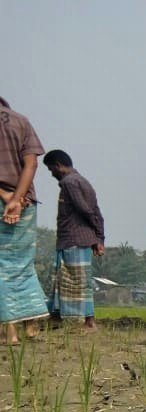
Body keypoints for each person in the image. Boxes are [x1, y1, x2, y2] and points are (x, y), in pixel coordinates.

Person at [0, 97, 48, 345]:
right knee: (23, 264)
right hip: (25, 202)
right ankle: (30, 327)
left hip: (6, 198)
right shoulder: (21, 121)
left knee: (2, 266)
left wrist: (4, 194)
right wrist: (17, 198)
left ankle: (9, 333)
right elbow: (31, 164)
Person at [42, 149, 105, 331]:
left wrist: (98, 236)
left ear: (58, 166)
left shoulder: (70, 183)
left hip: (74, 239)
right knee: (64, 279)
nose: (51, 173)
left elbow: (86, 210)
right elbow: (95, 211)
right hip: (78, 239)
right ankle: (56, 318)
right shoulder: (81, 181)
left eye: (50, 169)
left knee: (75, 280)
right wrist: (99, 237)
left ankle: (89, 321)